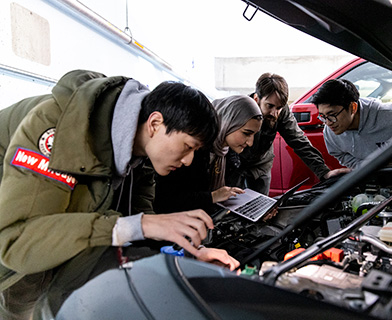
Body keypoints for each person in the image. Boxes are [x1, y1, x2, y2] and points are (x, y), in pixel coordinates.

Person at [0, 70, 240, 319]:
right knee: (25, 303)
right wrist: (142, 224)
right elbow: (18, 241)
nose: (189, 160)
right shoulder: (58, 131)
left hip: (46, 242)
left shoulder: (141, 154)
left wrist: (187, 255)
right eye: (188, 147)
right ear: (155, 124)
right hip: (15, 251)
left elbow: (137, 224)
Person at [225, 73, 348, 195]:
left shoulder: (281, 112)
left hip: (260, 165)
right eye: (270, 106)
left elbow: (299, 141)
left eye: (279, 107)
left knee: (261, 208)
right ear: (257, 99)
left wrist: (324, 172)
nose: (275, 113)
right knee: (232, 205)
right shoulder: (239, 110)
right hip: (234, 164)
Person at [154, 95, 263, 216]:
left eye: (254, 134)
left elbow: (230, 193)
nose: (250, 142)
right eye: (246, 133)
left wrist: (252, 210)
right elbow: (166, 199)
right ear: (229, 122)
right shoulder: (193, 148)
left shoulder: (229, 152)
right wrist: (212, 197)